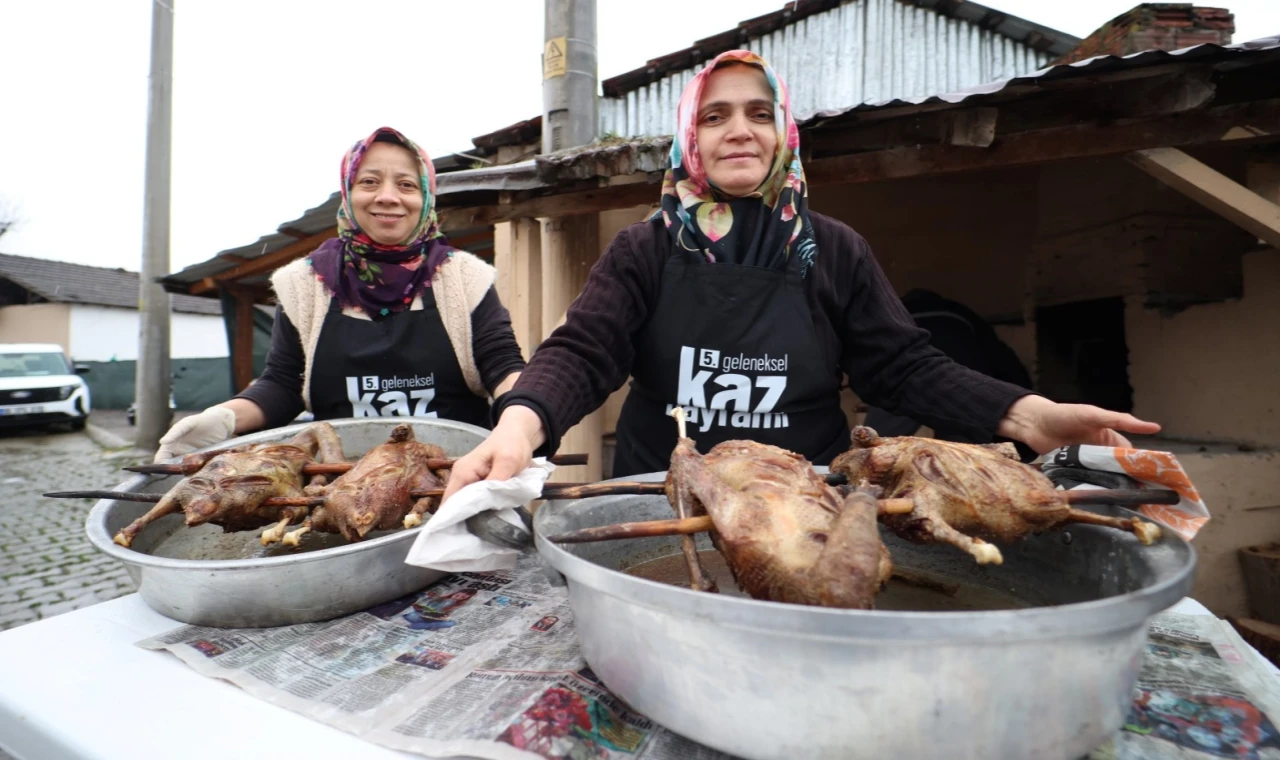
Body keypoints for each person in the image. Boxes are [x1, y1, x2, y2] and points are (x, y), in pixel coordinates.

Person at [440, 51, 1159, 500]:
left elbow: (905, 368)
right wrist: (519, 426)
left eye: (759, 113)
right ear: (691, 137)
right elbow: (583, 350)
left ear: (785, 132)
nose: (739, 131)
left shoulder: (836, 251)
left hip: (802, 501)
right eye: (716, 116)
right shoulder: (646, 249)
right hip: (660, 497)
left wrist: (1033, 417)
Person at [154, 127, 526, 462]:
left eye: (407, 185)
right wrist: (227, 417)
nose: (388, 197)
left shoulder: (465, 278)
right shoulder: (304, 285)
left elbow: (503, 365)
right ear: (348, 193)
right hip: (335, 483)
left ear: (426, 197)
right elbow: (284, 383)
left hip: (454, 474)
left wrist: (522, 418)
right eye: (369, 182)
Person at [861, 288, 1037, 460]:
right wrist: (1023, 390)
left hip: (901, 372)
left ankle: (862, 472)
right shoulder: (960, 311)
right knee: (965, 452)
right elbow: (1001, 357)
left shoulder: (893, 311)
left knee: (874, 445)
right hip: (960, 375)